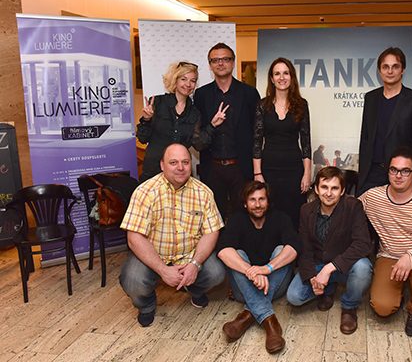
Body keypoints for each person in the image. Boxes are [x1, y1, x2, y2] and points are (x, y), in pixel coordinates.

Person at [119, 143, 226, 327]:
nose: (180, 167)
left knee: (216, 273)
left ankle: (194, 288)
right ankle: (146, 305)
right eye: (173, 162)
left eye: (185, 162)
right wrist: (162, 270)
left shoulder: (204, 193)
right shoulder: (145, 192)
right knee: (133, 280)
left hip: (189, 255)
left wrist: (195, 264)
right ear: (162, 165)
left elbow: (211, 232)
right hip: (154, 255)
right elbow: (134, 238)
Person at [359, 147, 412, 337]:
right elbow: (349, 210)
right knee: (382, 308)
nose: (398, 176)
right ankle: (400, 289)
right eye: (394, 170)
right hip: (389, 256)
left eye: (405, 171)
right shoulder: (373, 196)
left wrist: (410, 257)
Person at [217, 181, 301, 354]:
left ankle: (246, 317)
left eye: (262, 199)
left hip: (274, 285)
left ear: (268, 201)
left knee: (282, 250)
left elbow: (294, 248)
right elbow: (223, 251)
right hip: (243, 287)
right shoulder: (237, 219)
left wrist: (267, 269)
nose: (257, 204)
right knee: (237, 254)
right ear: (245, 203)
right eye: (252, 200)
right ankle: (270, 323)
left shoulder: (281, 218)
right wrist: (251, 271)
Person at [287, 167, 372, 335]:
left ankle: (349, 307)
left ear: (342, 191)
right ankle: (328, 289)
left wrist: (329, 268)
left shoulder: (353, 206)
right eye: (324, 187)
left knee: (363, 268)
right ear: (317, 189)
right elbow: (305, 249)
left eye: (334, 188)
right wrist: (312, 278)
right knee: (294, 297)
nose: (328, 193)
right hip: (318, 263)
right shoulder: (306, 210)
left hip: (344, 266)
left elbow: (363, 244)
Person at [193, 43, 261, 218]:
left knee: (244, 217)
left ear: (233, 62)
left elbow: (258, 133)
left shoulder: (249, 93)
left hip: (241, 167)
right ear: (210, 65)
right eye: (215, 60)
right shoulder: (201, 95)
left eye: (225, 59)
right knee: (214, 218)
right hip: (212, 168)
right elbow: (198, 134)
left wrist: (257, 170)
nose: (220, 63)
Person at [137, 61, 228, 182]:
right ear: (175, 80)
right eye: (183, 79)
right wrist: (146, 119)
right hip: (154, 170)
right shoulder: (157, 103)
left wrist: (212, 125)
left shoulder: (194, 112)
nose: (188, 84)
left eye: (193, 80)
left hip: (180, 174)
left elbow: (198, 144)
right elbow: (143, 138)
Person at [358, 47, 412, 195]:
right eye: (385, 67)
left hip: (400, 174)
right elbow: (365, 138)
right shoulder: (371, 98)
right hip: (371, 173)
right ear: (379, 70)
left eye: (395, 66)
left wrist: (410, 174)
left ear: (402, 70)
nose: (390, 71)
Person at [253, 57, 312, 229]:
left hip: (294, 170)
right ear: (272, 79)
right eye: (277, 73)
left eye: (286, 73)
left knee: (294, 214)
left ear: (291, 77)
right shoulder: (262, 105)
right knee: (270, 214)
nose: (281, 77)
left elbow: (306, 142)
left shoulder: (301, 105)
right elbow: (256, 142)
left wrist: (307, 173)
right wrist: (258, 174)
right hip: (269, 169)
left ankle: (292, 246)